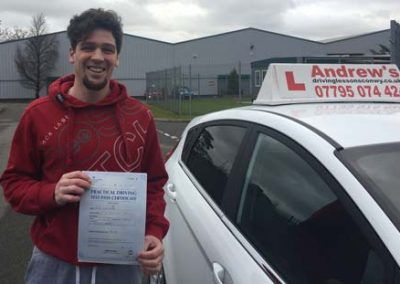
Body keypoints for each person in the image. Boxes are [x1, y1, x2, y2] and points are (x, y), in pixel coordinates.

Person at [0, 8, 169, 284]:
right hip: (53, 265)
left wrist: (153, 231)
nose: (98, 57)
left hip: (121, 265)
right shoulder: (38, 115)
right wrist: (51, 192)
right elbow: (14, 183)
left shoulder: (140, 117)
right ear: (72, 54)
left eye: (108, 49)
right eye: (88, 47)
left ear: (117, 58)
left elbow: (154, 184)